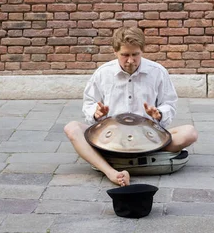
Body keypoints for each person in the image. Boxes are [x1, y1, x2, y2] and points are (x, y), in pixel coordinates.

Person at [64, 26, 198, 187]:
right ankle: (111, 172)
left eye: (135, 55)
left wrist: (159, 114)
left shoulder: (157, 72)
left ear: (142, 50)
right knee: (72, 128)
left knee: (189, 133)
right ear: (115, 52)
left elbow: (169, 103)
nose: (130, 60)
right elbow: (89, 103)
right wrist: (96, 113)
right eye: (125, 55)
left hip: (147, 137)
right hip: (110, 139)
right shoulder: (103, 73)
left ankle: (117, 158)